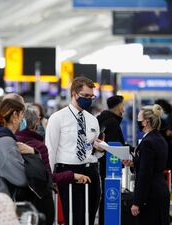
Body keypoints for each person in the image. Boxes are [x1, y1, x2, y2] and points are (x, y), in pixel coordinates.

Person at [16, 104, 91, 225]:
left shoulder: (11, 141)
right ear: (36, 123)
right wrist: (72, 175)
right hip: (39, 200)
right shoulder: (39, 146)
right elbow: (48, 177)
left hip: (17, 200)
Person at [45, 76, 104, 225]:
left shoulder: (93, 120)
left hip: (91, 171)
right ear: (74, 94)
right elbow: (50, 150)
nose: (89, 100)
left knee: (89, 217)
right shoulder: (57, 118)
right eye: (85, 96)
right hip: (68, 171)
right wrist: (50, 178)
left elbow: (93, 150)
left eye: (92, 96)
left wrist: (100, 148)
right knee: (73, 217)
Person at [123, 104, 170, 225]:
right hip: (161, 191)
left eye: (139, 120)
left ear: (146, 122)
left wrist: (137, 202)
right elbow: (153, 165)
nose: (137, 122)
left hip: (151, 194)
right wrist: (134, 163)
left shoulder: (147, 142)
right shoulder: (159, 138)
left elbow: (145, 174)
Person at [0, 98, 34, 198]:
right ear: (14, 115)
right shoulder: (6, 142)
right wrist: (33, 153)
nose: (23, 120)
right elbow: (21, 178)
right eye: (22, 115)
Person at [96, 95, 126, 225]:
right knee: (110, 197)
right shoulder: (113, 123)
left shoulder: (101, 119)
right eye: (122, 105)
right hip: (110, 168)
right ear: (118, 106)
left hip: (100, 164)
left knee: (104, 196)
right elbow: (113, 146)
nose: (124, 109)